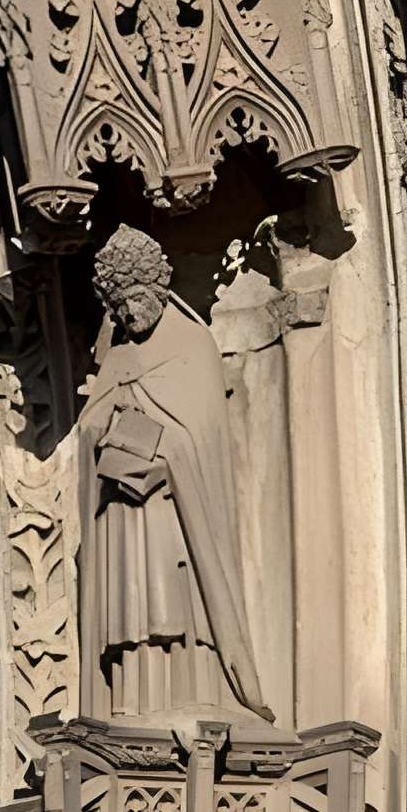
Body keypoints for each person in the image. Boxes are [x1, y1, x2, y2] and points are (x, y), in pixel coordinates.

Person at [77, 225, 269, 724]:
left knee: (177, 601)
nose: (130, 313)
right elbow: (89, 428)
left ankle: (196, 692)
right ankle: (127, 699)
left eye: (137, 299)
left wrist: (161, 449)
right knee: (130, 607)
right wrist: (109, 420)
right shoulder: (118, 357)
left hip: (174, 507)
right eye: (119, 306)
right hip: (123, 509)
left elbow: (201, 435)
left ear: (158, 290)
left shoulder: (193, 345)